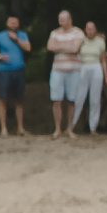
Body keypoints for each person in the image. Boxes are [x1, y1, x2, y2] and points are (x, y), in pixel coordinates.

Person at [46, 10, 86, 140]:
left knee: (71, 100)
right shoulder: (54, 32)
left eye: (63, 19)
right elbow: (50, 46)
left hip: (73, 70)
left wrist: (60, 46)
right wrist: (67, 46)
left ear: (70, 20)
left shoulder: (78, 32)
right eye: (60, 19)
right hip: (57, 70)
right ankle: (57, 129)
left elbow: (75, 49)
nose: (61, 22)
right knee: (56, 100)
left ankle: (69, 128)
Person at [0, 15, 32, 136]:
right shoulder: (0, 36)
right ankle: (4, 129)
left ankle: (20, 128)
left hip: (19, 70)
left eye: (15, 23)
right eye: (11, 22)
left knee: (19, 99)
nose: (13, 25)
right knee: (2, 99)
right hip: (4, 71)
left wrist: (17, 39)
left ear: (18, 24)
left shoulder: (22, 35)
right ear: (7, 23)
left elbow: (28, 48)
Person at [76, 19, 106, 133]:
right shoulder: (81, 41)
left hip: (96, 66)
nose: (90, 31)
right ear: (85, 30)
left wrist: (106, 76)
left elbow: (103, 59)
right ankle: (73, 124)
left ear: (95, 30)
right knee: (80, 96)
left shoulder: (100, 41)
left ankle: (93, 126)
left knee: (95, 98)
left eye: (92, 28)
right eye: (88, 28)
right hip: (83, 66)